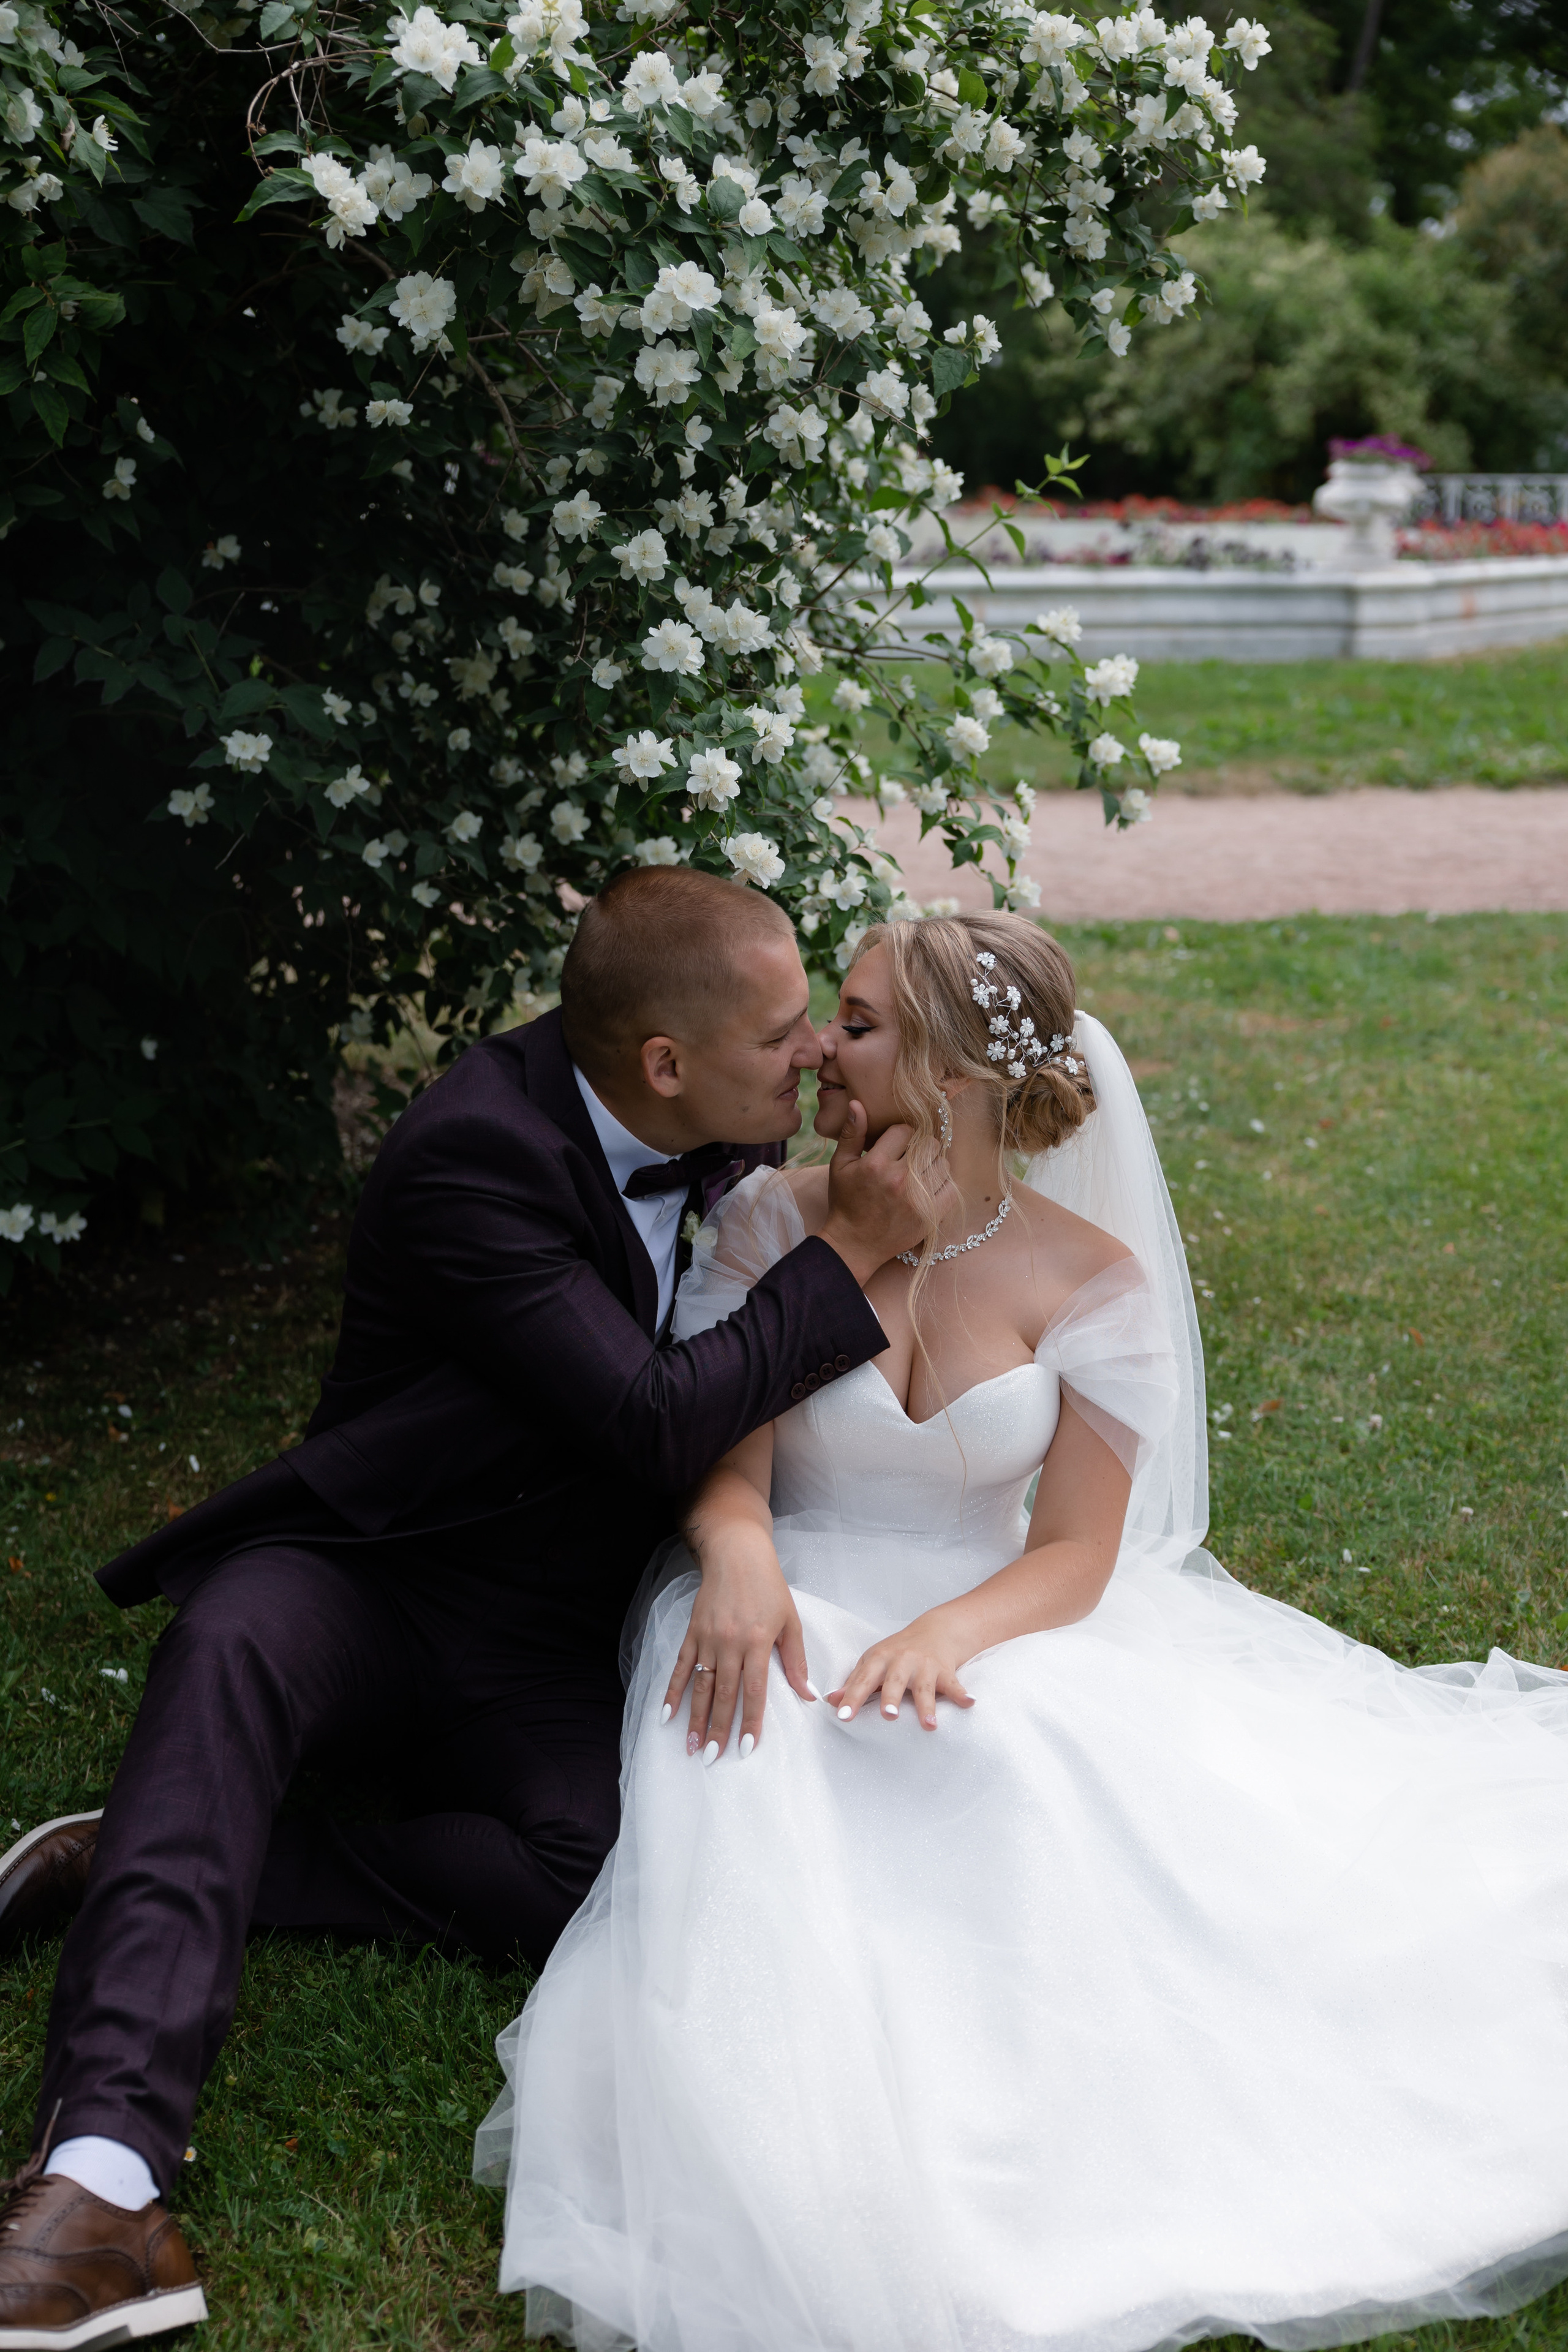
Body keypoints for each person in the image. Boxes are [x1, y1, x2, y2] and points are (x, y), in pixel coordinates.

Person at [480, 909, 1568, 2352]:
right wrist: (734, 1556)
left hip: (998, 1614)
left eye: (855, 1026)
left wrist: (950, 1634)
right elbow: (725, 1464)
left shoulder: (1087, 1279)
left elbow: (1072, 1555)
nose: (820, 1051)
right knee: (764, 1782)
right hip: (786, 1593)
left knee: (1030, 1769)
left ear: (951, 1069)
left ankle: (1055, 2116)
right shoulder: (764, 1218)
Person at [0, 867, 932, 2352]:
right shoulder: (470, 1155)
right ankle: (101, 2184)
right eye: (782, 1036)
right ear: (664, 1067)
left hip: (541, 1628)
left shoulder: (716, 1137)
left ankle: (165, 1850)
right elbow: (645, 1420)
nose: (815, 1051)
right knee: (229, 1647)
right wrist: (852, 1260)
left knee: (595, 1875)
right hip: (375, 1567)